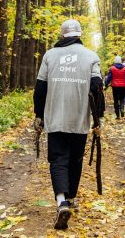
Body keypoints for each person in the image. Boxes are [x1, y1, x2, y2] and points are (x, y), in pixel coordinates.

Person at [33, 19, 104, 230]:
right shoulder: (91, 56)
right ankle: (71, 199)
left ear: (62, 35)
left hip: (55, 118)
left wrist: (39, 115)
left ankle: (61, 201)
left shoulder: (49, 55)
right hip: (79, 119)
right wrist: (98, 119)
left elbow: (40, 88)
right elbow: (97, 89)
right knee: (75, 160)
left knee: (58, 160)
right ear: (80, 34)